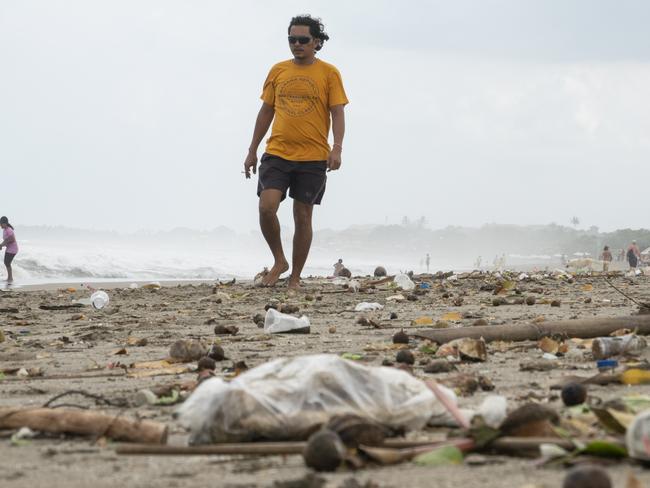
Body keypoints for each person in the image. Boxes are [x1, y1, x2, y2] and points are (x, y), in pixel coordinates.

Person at [244, 14, 348, 289]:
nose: (297, 44)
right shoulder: (278, 70)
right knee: (267, 207)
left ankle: (295, 277)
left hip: (313, 156)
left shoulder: (329, 73)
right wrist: (252, 149)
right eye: (292, 39)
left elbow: (337, 113)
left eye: (303, 40)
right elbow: (266, 111)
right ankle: (280, 261)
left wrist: (336, 148)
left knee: (303, 216)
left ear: (316, 42)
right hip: (277, 152)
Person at [0, 216, 18, 284]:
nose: (0, 225)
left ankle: (10, 278)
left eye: (1, 224)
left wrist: (2, 244)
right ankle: (9, 277)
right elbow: (6, 240)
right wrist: (2, 245)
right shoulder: (5, 230)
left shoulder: (9, 230)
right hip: (9, 248)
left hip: (13, 249)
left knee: (7, 262)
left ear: (5, 223)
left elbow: (12, 239)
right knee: (6, 262)